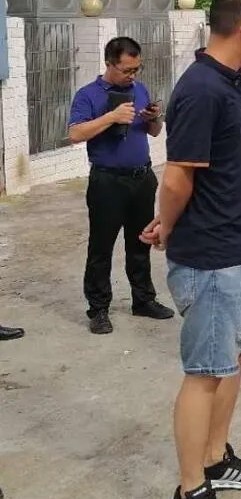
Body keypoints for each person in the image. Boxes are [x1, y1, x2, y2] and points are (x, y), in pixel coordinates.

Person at [140, 0, 241, 499]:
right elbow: (177, 178)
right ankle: (190, 490)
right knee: (204, 373)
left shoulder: (227, 78)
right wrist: (167, 225)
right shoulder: (200, 88)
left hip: (236, 248)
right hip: (211, 257)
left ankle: (216, 458)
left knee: (233, 358)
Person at [68, 36, 174, 335]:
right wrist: (111, 117)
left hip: (141, 178)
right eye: (127, 70)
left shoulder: (139, 89)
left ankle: (143, 299)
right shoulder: (88, 95)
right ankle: (98, 309)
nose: (132, 76)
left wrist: (154, 118)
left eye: (136, 69)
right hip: (107, 181)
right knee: (101, 247)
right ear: (110, 64)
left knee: (140, 242)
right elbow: (75, 134)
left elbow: (154, 132)